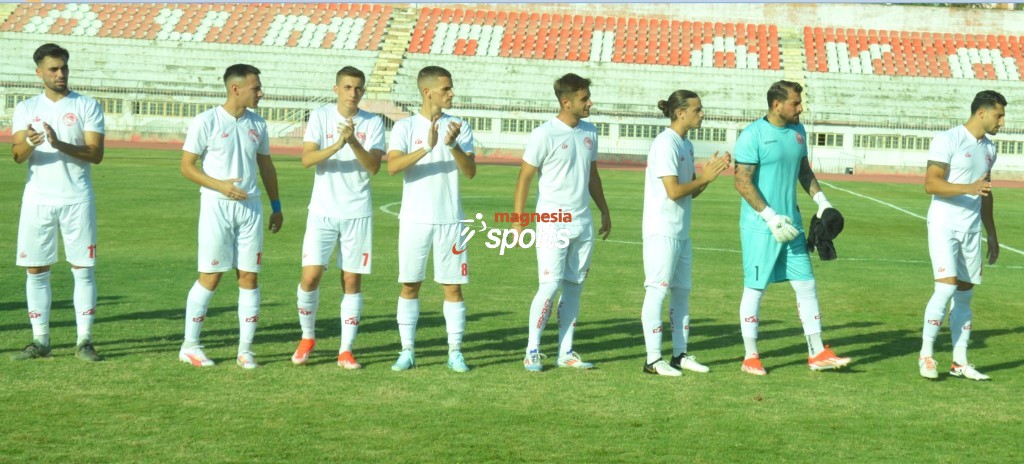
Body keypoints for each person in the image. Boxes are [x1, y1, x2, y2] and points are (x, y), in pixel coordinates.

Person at [732, 80, 851, 376]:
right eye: (795, 103)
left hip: (792, 226)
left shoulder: (799, 131)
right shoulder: (752, 135)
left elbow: (804, 171)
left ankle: (816, 352)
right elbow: (742, 182)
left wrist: (822, 202)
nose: (801, 108)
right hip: (761, 227)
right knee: (755, 288)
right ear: (777, 105)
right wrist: (770, 216)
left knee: (806, 285)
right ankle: (750, 357)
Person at [177, 64, 283, 369]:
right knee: (211, 276)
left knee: (249, 276)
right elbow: (187, 167)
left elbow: (266, 166)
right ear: (235, 89)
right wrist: (220, 185)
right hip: (217, 206)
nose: (261, 93)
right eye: (256, 88)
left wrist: (276, 206)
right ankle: (190, 346)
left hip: (251, 208)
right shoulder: (206, 121)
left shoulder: (258, 124)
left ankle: (245, 350)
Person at [10, 43, 105, 362]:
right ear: (40, 72)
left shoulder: (87, 105)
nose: (60, 73)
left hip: (77, 199)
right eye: (53, 69)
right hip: (37, 200)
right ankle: (40, 340)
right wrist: (30, 142)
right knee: (36, 269)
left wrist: (58, 143)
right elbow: (16, 155)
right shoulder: (26, 108)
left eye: (64, 67)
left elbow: (96, 154)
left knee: (83, 268)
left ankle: (84, 340)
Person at [514, 73, 612, 372]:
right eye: (584, 98)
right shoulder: (544, 134)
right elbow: (525, 177)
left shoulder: (590, 131)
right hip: (552, 221)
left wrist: (604, 210)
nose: (590, 103)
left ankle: (566, 351)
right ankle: (532, 350)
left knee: (574, 288)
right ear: (566, 102)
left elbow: (592, 175)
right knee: (549, 286)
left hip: (582, 221)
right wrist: (518, 220)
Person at [290, 66, 385, 369]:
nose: (353, 93)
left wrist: (353, 141)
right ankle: (307, 337)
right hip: (322, 211)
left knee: (351, 281)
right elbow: (307, 159)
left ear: (363, 91)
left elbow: (374, 167)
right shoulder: (320, 117)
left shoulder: (373, 122)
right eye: (347, 87)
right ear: (336, 89)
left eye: (358, 88)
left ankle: (345, 349)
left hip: (357, 212)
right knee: (310, 277)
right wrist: (337, 144)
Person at [386, 66, 476, 372]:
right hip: (414, 219)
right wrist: (427, 146)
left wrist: (452, 145)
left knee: (453, 288)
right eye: (446, 89)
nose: (452, 93)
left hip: (451, 220)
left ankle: (455, 351)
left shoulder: (459, 125)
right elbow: (393, 167)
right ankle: (407, 351)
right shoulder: (405, 127)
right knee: (410, 285)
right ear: (427, 92)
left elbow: (470, 171)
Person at [640, 90, 731, 376]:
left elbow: (690, 192)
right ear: (680, 113)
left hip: (680, 231)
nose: (702, 114)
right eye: (697, 109)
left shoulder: (686, 145)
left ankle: (679, 355)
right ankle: (653, 359)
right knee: (657, 291)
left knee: (681, 293)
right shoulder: (665, 143)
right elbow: (673, 191)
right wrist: (703, 177)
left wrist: (708, 178)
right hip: (661, 230)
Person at [918, 90, 1005, 381]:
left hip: (971, 230)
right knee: (945, 289)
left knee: (965, 296)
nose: (1002, 122)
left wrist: (991, 234)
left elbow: (986, 192)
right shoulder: (948, 139)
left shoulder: (990, 149)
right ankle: (926, 355)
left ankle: (960, 361)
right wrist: (967, 188)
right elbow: (931, 184)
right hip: (944, 224)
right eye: (998, 115)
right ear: (982, 113)